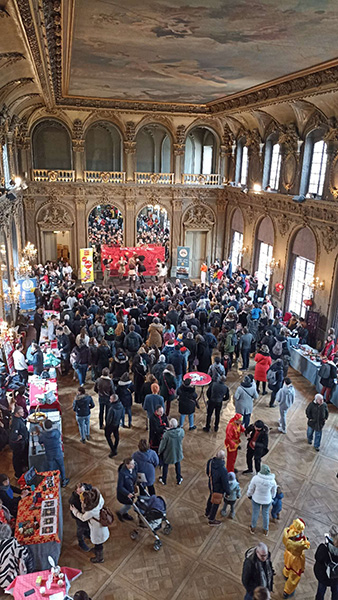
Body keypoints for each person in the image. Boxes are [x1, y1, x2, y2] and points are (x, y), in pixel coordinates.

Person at [70, 487, 109, 563]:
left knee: (98, 543)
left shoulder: (90, 511)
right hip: (101, 523)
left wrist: (74, 511)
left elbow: (83, 518)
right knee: (99, 542)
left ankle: (99, 558)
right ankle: (97, 551)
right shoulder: (98, 499)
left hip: (97, 530)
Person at [0, 523, 34, 590]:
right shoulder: (11, 542)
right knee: (26, 550)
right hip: (14, 579)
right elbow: (24, 554)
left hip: (3, 583)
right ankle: (30, 575)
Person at [37, 419, 69, 487]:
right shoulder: (56, 432)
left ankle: (51, 482)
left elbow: (40, 441)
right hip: (57, 452)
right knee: (61, 466)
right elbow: (59, 435)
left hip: (49, 453)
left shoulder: (42, 435)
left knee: (50, 468)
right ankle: (63, 480)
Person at [283, 518, 310, 598]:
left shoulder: (287, 532)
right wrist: (305, 539)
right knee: (294, 575)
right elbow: (307, 545)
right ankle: (288, 591)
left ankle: (285, 574)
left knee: (287, 566)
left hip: (288, 554)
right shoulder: (300, 543)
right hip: (296, 559)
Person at [247, 464, 277, 536]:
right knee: (265, 514)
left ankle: (253, 528)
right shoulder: (272, 481)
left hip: (256, 499)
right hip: (267, 500)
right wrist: (272, 497)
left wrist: (249, 495)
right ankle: (265, 529)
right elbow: (274, 491)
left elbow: (251, 488)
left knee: (255, 513)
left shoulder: (256, 478)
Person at [205, 450, 230, 526]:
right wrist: (228, 492)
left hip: (211, 484)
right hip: (218, 489)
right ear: (223, 458)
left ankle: (207, 512)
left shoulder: (210, 462)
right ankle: (211, 520)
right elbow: (225, 482)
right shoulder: (223, 470)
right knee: (216, 503)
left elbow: (207, 472)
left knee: (211, 497)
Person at [314, 525, 338, 600]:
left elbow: (317, 557)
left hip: (324, 576)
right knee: (336, 593)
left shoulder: (323, 548)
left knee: (321, 592)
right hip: (336, 578)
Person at [158, 418, 184, 485]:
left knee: (165, 465)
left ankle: (164, 480)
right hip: (178, 451)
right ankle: (179, 479)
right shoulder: (181, 431)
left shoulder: (166, 434)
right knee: (178, 464)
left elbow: (162, 445)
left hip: (168, 453)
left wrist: (159, 452)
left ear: (171, 426)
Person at [68, 482, 92, 551]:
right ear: (76, 492)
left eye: (83, 492)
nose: (82, 494)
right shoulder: (73, 501)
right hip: (81, 520)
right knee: (80, 531)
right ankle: (81, 542)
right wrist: (80, 515)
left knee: (89, 528)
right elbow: (73, 515)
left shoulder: (88, 492)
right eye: (80, 492)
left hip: (89, 518)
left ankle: (88, 534)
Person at [9, 405, 29, 479]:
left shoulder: (19, 418)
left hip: (22, 443)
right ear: (16, 413)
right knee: (17, 459)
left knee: (22, 456)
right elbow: (13, 437)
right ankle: (18, 474)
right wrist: (18, 437)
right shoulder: (16, 423)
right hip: (18, 446)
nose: (23, 413)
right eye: (21, 412)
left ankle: (23, 467)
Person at [116, 457, 138, 521]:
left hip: (131, 489)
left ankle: (124, 512)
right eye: (132, 464)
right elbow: (120, 487)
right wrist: (127, 493)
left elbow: (136, 473)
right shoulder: (122, 473)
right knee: (128, 505)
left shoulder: (134, 466)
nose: (134, 465)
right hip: (125, 493)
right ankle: (120, 512)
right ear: (127, 465)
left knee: (129, 504)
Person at [105, 393, 124, 457]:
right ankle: (115, 447)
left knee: (107, 435)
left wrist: (107, 426)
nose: (109, 400)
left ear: (113, 400)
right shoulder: (121, 405)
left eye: (110, 399)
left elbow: (109, 419)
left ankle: (113, 450)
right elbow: (122, 415)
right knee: (116, 435)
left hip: (111, 425)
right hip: (117, 423)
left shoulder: (112, 409)